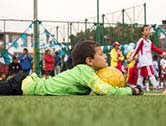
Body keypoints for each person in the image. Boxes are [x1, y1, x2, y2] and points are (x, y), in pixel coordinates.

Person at [0, 40, 142, 96]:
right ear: (89, 61)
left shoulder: (88, 71)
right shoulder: (85, 71)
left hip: (27, 81)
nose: (105, 56)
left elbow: (104, 85)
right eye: (101, 54)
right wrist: (130, 90)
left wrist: (124, 84)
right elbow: (104, 90)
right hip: (26, 85)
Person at [128, 25, 165, 90]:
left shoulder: (149, 41)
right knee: (151, 73)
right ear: (142, 32)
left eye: (149, 30)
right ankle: (156, 86)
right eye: (146, 30)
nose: (148, 31)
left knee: (141, 75)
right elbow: (136, 49)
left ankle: (139, 86)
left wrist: (163, 53)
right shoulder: (141, 40)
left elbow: (155, 48)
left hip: (148, 60)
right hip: (144, 60)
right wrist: (131, 58)